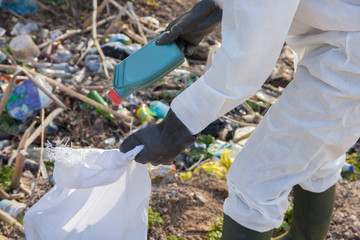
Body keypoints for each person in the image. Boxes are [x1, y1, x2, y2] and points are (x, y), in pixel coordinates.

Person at [121, 0, 360, 239]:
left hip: (349, 52)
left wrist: (177, 127)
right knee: (312, 150)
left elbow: (247, 61)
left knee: (257, 181)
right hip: (340, 31)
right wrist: (214, 7)